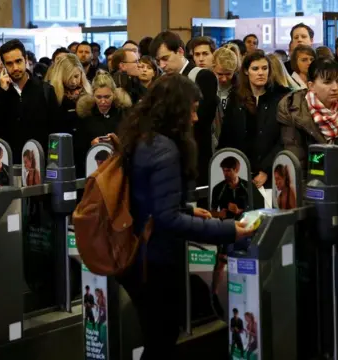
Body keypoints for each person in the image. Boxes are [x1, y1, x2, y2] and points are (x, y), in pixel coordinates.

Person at [117, 74, 254, 359]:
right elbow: (167, 219)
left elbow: (147, 199)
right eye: (190, 110)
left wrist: (189, 209)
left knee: (156, 336)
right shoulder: (165, 149)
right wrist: (227, 230)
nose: (195, 118)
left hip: (138, 252)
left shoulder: (141, 137)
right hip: (154, 258)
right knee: (162, 339)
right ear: (174, 111)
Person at [277, 59, 338, 186]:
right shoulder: (294, 111)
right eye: (327, 82)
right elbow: (297, 163)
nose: (335, 88)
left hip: (337, 185)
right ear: (311, 85)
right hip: (308, 187)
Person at [218, 50, 291, 197]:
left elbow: (284, 138)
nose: (260, 73)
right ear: (246, 71)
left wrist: (266, 170)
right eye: (255, 69)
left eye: (264, 68)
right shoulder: (236, 97)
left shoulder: (281, 97)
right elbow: (227, 135)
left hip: (272, 173)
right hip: (240, 172)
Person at [150, 31, 219, 186]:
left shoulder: (203, 77)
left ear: (180, 52)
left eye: (165, 58)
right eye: (158, 61)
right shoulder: (161, 82)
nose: (161, 65)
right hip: (168, 159)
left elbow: (201, 121)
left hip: (196, 159)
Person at [75, 71, 132, 177]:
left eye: (107, 97)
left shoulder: (124, 114)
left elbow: (131, 143)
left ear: (114, 94)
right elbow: (77, 148)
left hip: (119, 168)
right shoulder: (85, 115)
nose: (102, 101)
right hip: (93, 169)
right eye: (99, 97)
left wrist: (116, 143)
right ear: (92, 95)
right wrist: (91, 146)